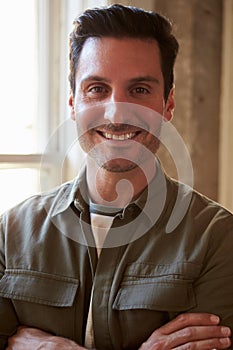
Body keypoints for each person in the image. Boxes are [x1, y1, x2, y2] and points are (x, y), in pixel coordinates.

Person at [1, 4, 233, 350]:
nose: (116, 113)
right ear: (73, 102)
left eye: (139, 90)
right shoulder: (10, 234)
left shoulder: (218, 239)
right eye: (97, 88)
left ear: (167, 104)